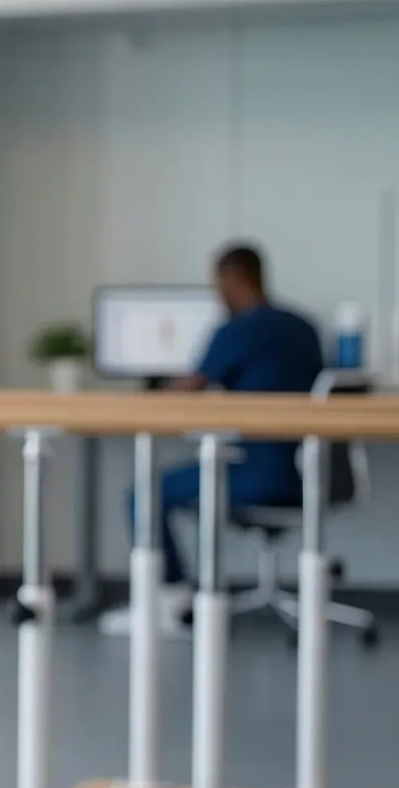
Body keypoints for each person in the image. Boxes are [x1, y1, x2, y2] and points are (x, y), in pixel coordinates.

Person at [106, 243, 324, 638]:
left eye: (218, 286)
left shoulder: (238, 330)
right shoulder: (303, 327)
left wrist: (150, 395)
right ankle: (177, 599)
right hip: (308, 474)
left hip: (258, 473)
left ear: (234, 279)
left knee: (145, 494)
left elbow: (190, 387)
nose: (217, 296)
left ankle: (171, 604)